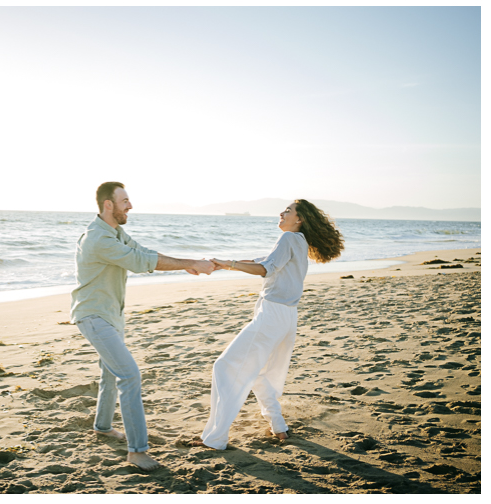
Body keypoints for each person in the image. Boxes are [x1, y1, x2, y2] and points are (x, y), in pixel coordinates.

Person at [71, 181, 215, 470]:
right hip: (94, 316)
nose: (131, 206)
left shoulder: (117, 232)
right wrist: (190, 262)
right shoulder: (98, 239)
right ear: (108, 204)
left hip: (111, 315)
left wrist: (186, 263)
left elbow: (145, 252)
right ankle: (137, 451)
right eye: (125, 201)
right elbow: (140, 261)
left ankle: (102, 426)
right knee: (129, 375)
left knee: (111, 374)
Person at [200, 200, 344, 448]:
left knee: (224, 366)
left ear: (299, 219)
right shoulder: (298, 242)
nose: (282, 213)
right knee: (261, 374)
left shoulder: (288, 239)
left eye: (288, 211)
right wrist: (224, 263)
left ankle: (214, 439)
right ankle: (279, 427)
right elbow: (263, 260)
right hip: (287, 316)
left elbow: (265, 268)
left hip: (272, 315)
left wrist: (230, 264)